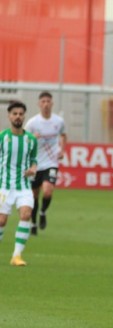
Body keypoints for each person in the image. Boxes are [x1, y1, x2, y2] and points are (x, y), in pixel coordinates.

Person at [0, 101, 38, 266]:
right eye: (14, 113)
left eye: (21, 114)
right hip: (4, 186)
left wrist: (33, 169)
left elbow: (34, 160)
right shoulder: (2, 137)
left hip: (23, 186)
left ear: (24, 116)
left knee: (26, 214)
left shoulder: (30, 140)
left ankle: (16, 256)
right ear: (9, 116)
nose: (18, 116)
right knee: (1, 221)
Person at [25, 91, 66, 235]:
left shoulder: (58, 121)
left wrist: (62, 150)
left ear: (52, 103)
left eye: (48, 101)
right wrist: (32, 138)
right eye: (43, 101)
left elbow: (63, 134)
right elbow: (24, 141)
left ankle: (43, 212)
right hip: (36, 164)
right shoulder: (32, 123)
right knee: (34, 195)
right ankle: (34, 222)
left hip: (51, 162)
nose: (46, 104)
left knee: (48, 191)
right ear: (39, 104)